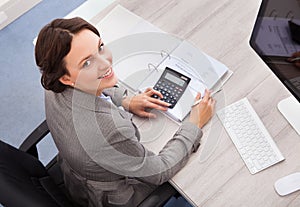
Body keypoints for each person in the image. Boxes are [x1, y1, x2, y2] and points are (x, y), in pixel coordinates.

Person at [35, 17, 215, 207]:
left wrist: (125, 99)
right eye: (86, 63)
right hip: (114, 196)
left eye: (100, 47)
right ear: (66, 78)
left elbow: (92, 82)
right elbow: (159, 170)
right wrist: (193, 125)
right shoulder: (109, 129)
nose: (105, 63)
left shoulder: (52, 78)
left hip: (75, 174)